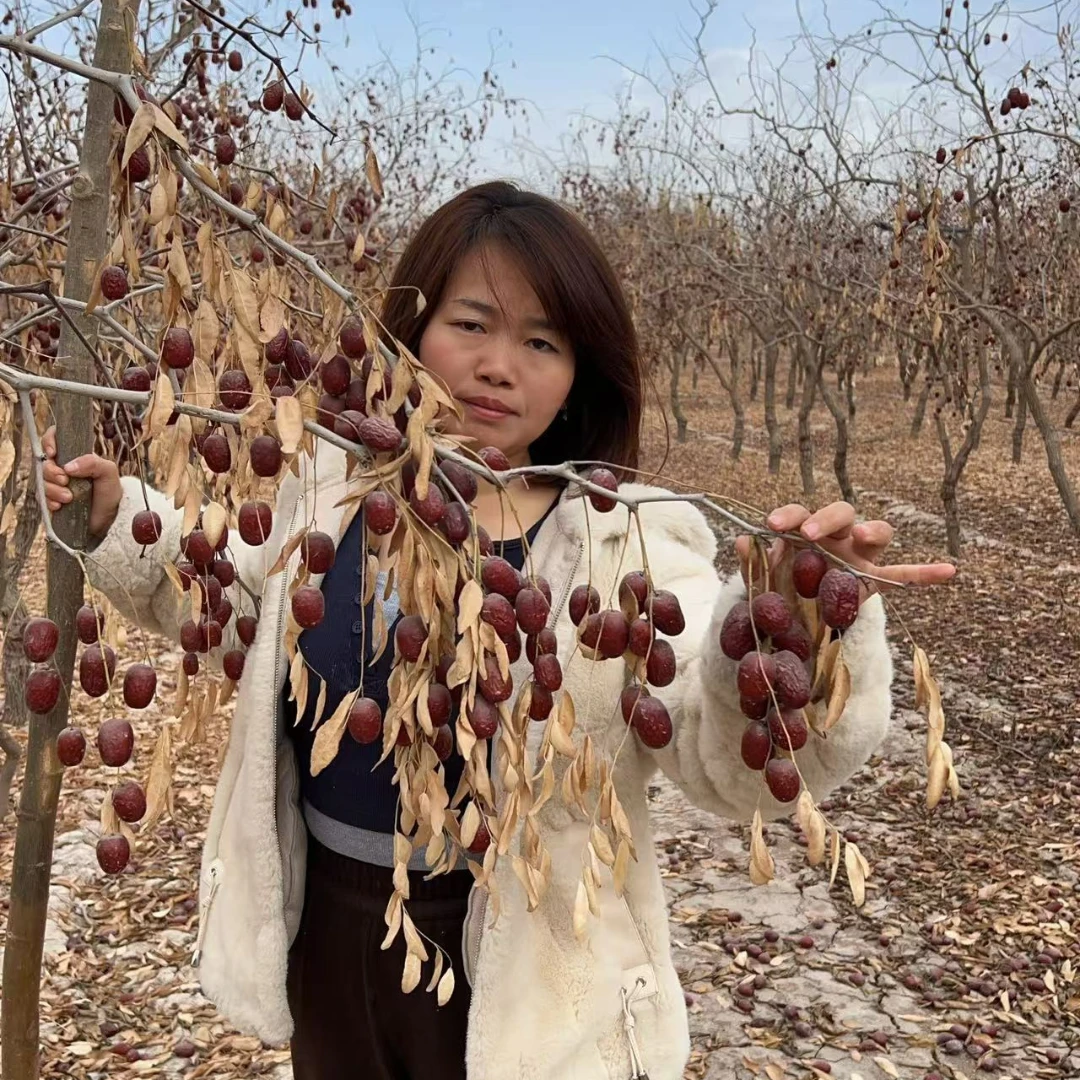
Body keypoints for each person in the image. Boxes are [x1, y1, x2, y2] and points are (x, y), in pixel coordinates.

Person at [41, 180, 955, 1080]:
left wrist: (793, 623)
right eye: (470, 325)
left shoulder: (622, 541)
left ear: (578, 373)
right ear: (413, 328)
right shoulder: (332, 490)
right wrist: (120, 516)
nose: (498, 365)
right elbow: (233, 606)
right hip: (332, 928)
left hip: (520, 969)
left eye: (541, 341)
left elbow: (717, 744)